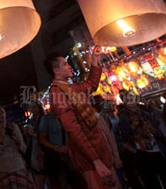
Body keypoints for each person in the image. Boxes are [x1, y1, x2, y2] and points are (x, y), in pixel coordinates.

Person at [44, 52, 119, 189]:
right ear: (56, 70)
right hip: (88, 157)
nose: (69, 66)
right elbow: (73, 129)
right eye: (65, 64)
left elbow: (90, 85)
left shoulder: (71, 88)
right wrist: (95, 160)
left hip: (99, 149)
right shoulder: (57, 93)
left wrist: (95, 60)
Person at [0, 106, 35, 189]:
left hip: (17, 165)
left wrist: (18, 141)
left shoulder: (13, 127)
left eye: (2, 112)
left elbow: (23, 148)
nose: (1, 115)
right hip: (2, 169)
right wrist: (1, 140)